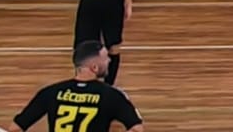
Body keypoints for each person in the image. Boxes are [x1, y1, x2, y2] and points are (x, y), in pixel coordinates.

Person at [12, 40, 144, 132]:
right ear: (94, 67)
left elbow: (15, 128)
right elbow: (136, 129)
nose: (109, 60)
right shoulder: (112, 96)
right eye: (105, 58)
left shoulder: (50, 92)